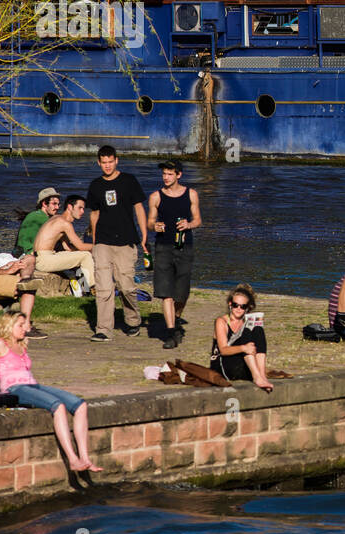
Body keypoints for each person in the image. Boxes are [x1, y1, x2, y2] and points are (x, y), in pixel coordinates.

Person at [0, 312, 101, 472]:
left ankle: (85, 458)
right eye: (20, 325)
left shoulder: (22, 344)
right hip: (14, 388)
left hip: (32, 385)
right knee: (58, 406)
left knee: (80, 405)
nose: (25, 329)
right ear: (8, 325)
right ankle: (73, 459)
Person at [86, 144, 148, 342]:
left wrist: (144, 235)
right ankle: (104, 329)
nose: (107, 166)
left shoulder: (128, 181)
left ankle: (132, 321)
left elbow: (139, 208)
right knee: (104, 287)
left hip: (126, 240)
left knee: (126, 286)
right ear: (99, 163)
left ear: (116, 160)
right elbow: (94, 214)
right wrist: (95, 242)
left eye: (110, 162)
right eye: (103, 162)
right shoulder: (95, 185)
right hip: (103, 241)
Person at [147, 160, 201, 348]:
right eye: (164, 174)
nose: (166, 177)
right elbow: (149, 222)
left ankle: (176, 319)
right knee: (165, 292)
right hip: (163, 247)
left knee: (182, 293)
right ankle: (170, 333)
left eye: (170, 174)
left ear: (179, 175)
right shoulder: (156, 196)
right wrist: (155, 226)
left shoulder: (191, 194)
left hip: (184, 247)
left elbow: (198, 220)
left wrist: (189, 224)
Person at [210, 284, 274, 392]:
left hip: (242, 365)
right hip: (223, 365)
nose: (238, 309)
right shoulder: (221, 321)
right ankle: (257, 377)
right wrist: (243, 348)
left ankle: (261, 375)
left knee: (258, 329)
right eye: (236, 305)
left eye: (243, 306)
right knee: (246, 332)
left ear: (247, 308)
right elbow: (223, 350)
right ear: (230, 304)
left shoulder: (246, 322)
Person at [33, 194, 96, 292]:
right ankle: (91, 288)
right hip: (44, 259)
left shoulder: (57, 218)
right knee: (86, 255)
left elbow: (67, 247)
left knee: (80, 255)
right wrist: (99, 246)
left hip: (42, 257)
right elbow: (80, 246)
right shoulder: (64, 223)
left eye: (83, 209)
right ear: (70, 207)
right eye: (80, 208)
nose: (82, 212)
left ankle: (84, 288)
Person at [16, 188, 61, 255]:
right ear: (44, 204)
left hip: (23, 252)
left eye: (58, 204)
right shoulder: (40, 217)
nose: (57, 207)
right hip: (29, 254)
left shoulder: (36, 215)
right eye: (54, 204)